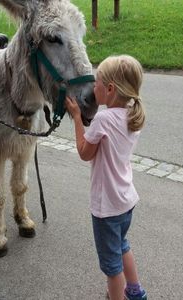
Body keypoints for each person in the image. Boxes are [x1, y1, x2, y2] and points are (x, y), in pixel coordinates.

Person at [65, 55, 147, 300]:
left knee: (112, 268)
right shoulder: (133, 115)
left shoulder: (102, 119)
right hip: (125, 201)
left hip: (107, 208)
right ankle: (135, 291)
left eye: (97, 82)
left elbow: (84, 152)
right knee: (122, 245)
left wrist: (78, 118)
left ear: (110, 89)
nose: (93, 88)